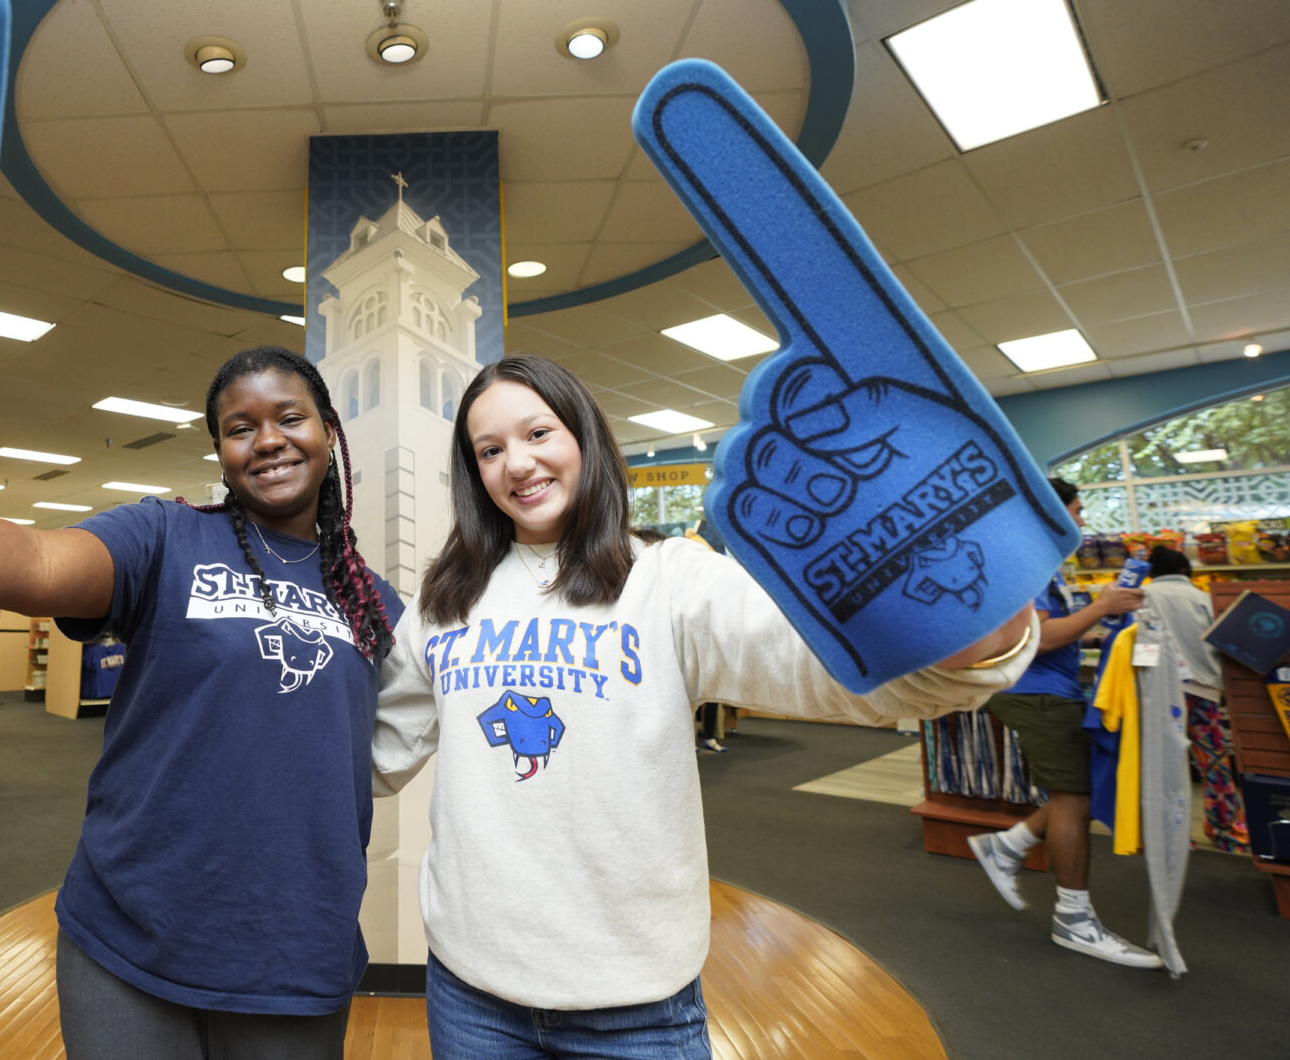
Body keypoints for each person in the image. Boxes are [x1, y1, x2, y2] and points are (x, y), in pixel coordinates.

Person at [372, 355, 1039, 1059]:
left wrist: (975, 627)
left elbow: (837, 675)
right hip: (473, 986)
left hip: (635, 1003)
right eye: (490, 449)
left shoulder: (669, 579)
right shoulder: (445, 604)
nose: (517, 463)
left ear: (585, 439)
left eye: (539, 433)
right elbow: (371, 752)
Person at [0, 345, 401, 1059]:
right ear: (221, 451)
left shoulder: (374, 603)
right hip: (130, 931)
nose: (266, 439)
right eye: (240, 428)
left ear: (329, 431)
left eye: (289, 417)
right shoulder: (167, 537)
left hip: (294, 947)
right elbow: (32, 561)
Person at [966, 477, 1160, 968]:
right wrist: (1101, 607)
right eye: (1076, 509)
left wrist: (1102, 619)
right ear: (1050, 511)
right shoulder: (1026, 564)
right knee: (1074, 797)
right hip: (1035, 695)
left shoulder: (1047, 565)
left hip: (1053, 691)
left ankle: (1007, 844)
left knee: (1080, 790)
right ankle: (1073, 919)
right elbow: (1040, 638)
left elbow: (1056, 633)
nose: (1082, 519)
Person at [1144, 544, 1249, 852]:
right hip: (1202, 693)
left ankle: (1173, 836)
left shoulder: (1142, 598)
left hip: (1160, 696)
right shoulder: (1204, 599)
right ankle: (1229, 835)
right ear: (1184, 572)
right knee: (1214, 764)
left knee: (1165, 767)